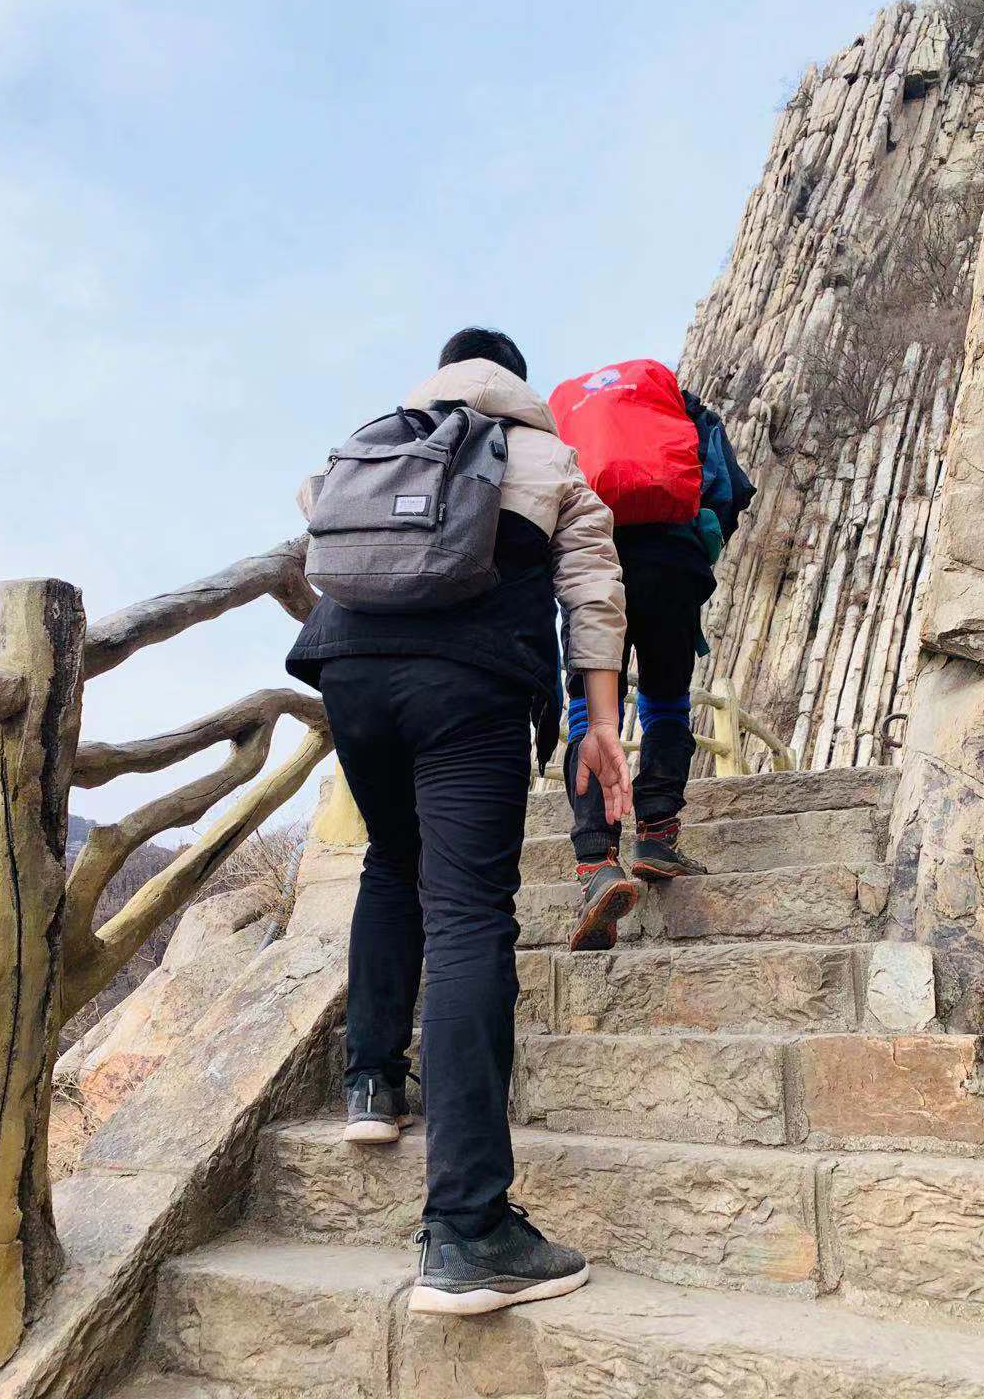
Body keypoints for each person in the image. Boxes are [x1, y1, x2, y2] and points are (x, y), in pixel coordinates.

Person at [286, 327, 629, 1315]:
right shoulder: (548, 456)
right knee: (471, 915)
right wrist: (600, 724)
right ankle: (469, 1229)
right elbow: (592, 589)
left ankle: (371, 1082)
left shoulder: (376, 437)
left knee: (392, 863)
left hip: (348, 676)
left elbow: (314, 516)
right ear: (518, 383)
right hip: (471, 683)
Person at [549, 359, 754, 953]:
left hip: (590, 565)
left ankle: (596, 862)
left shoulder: (566, 415)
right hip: (670, 560)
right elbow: (727, 486)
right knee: (665, 701)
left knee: (589, 715)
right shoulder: (680, 407)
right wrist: (700, 542)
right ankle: (658, 836)